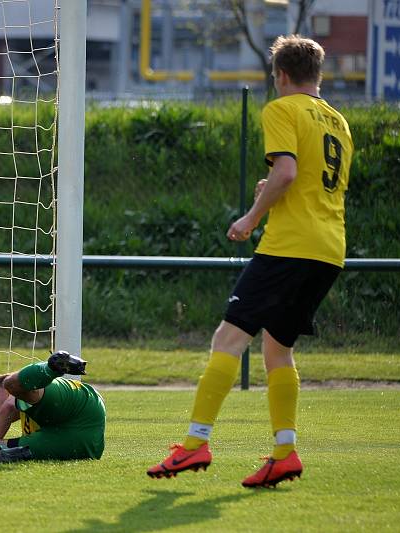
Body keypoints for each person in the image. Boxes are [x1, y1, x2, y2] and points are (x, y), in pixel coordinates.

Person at [147, 35, 353, 488]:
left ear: (279, 75)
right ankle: (284, 453)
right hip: (328, 248)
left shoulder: (282, 109)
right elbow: (308, 186)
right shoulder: (338, 122)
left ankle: (195, 444)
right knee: (278, 349)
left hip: (289, 247)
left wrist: (250, 218)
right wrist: (272, 197)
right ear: (316, 75)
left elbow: (288, 172)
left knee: (227, 338)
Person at [0, 351, 106, 464]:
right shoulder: (28, 416)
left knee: (10, 383)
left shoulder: (16, 394)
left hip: (76, 406)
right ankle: (14, 456)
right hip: (85, 445)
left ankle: (51, 368)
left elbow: (9, 406)